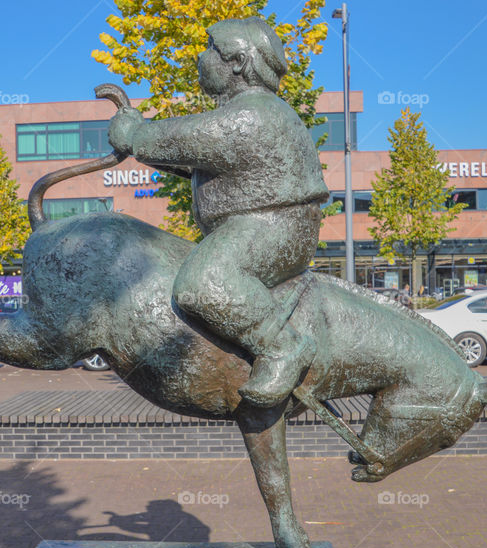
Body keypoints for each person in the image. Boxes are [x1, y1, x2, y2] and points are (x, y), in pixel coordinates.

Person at [108, 17, 328, 408]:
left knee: (205, 282)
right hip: (263, 223)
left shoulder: (253, 113)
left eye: (212, 48)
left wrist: (133, 134)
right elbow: (196, 156)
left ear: (239, 63)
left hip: (272, 226)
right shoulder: (251, 110)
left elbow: (177, 138)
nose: (200, 56)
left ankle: (283, 347)